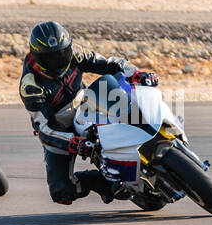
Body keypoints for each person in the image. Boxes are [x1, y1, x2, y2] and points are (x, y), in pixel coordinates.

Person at [19, 20, 160, 205]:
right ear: (37, 56)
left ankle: (158, 132)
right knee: (62, 191)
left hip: (87, 103)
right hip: (61, 128)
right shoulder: (30, 85)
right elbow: (45, 128)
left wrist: (135, 73)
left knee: (128, 100)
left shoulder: (75, 54)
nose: (60, 60)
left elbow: (109, 64)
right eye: (51, 58)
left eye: (63, 53)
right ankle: (104, 181)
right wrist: (73, 143)